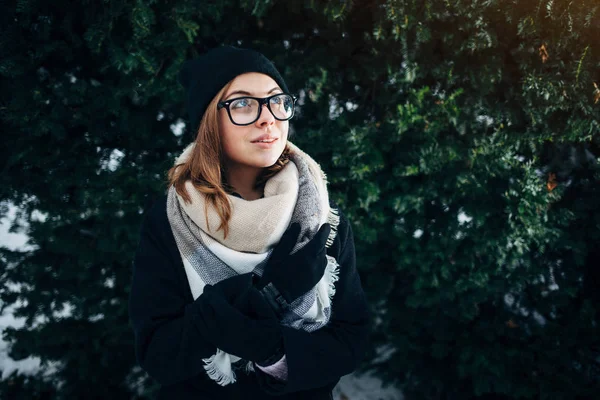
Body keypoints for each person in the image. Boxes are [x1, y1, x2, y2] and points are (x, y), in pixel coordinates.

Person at [128, 46, 370, 400]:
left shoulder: (320, 219)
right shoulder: (169, 220)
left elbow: (351, 340)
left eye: (276, 101)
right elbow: (157, 354)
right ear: (209, 121)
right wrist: (249, 302)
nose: (267, 118)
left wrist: (274, 352)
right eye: (242, 104)